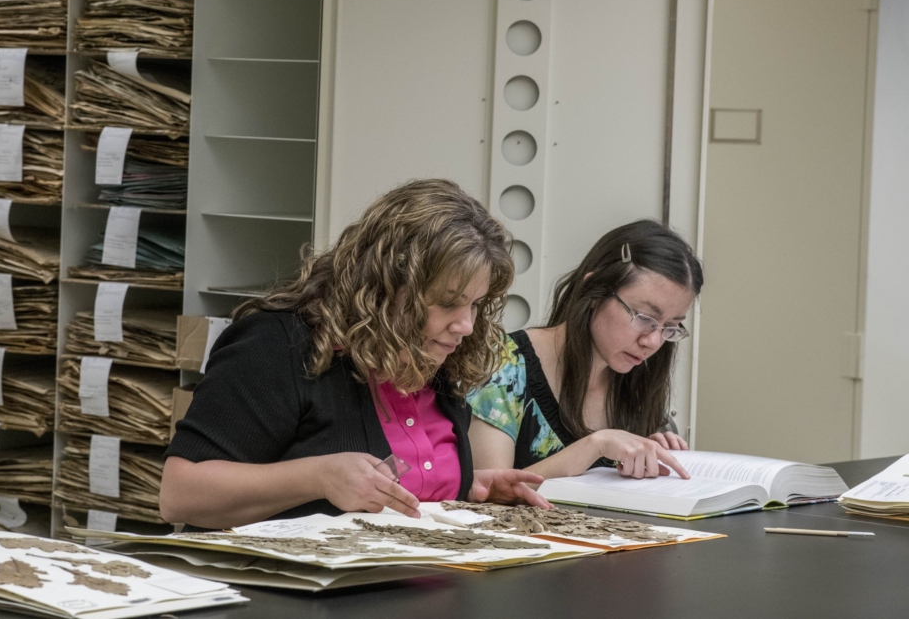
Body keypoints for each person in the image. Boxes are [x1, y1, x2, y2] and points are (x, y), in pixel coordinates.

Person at [159, 179, 550, 529]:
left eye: (476, 305)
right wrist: (318, 477)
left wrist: (469, 483)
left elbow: (398, 480)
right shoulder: (279, 344)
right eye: (449, 303)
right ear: (386, 287)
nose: (465, 325)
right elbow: (180, 495)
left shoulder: (434, 355)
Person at [468, 220, 703, 481]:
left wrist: (649, 455)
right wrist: (596, 445)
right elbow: (487, 494)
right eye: (644, 318)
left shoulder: (636, 383)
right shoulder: (505, 365)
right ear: (594, 292)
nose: (654, 342)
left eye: (670, 327)